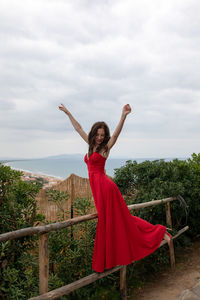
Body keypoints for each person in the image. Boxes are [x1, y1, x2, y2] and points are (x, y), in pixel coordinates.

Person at [59, 103, 172, 273]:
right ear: (93, 134)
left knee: (115, 220)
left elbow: (117, 135)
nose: (99, 137)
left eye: (102, 135)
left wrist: (123, 116)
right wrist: (68, 113)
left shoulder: (104, 149)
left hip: (106, 188)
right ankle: (109, 260)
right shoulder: (91, 146)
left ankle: (156, 233)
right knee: (118, 219)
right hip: (99, 189)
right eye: (97, 134)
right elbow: (79, 128)